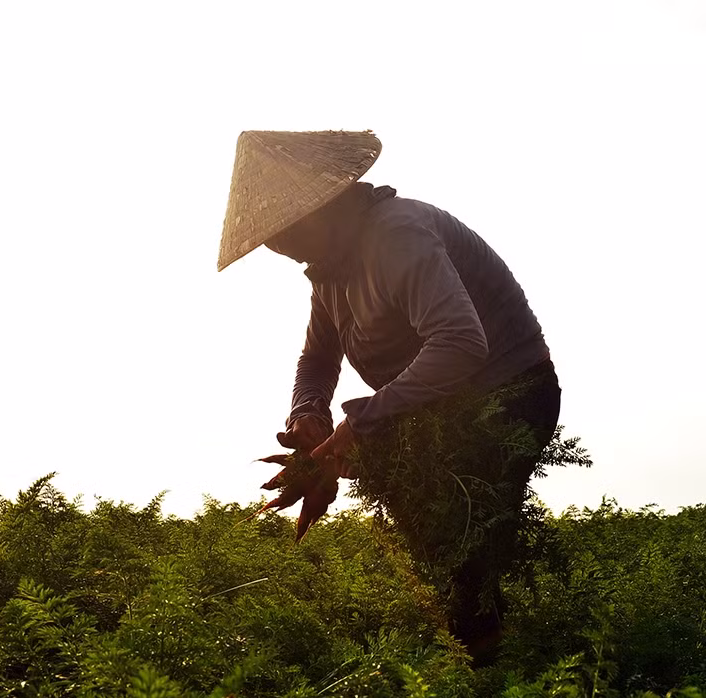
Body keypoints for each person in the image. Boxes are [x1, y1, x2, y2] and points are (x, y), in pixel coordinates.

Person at [217, 130, 561, 663]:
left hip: (508, 394)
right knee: (434, 546)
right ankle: (473, 655)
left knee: (461, 543)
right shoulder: (329, 271)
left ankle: (492, 672)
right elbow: (317, 361)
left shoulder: (396, 235)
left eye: (285, 231)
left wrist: (361, 422)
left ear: (323, 204)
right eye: (270, 239)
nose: (280, 248)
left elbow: (460, 343)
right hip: (432, 410)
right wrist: (308, 411)